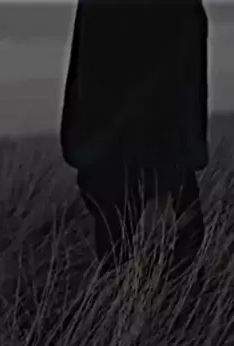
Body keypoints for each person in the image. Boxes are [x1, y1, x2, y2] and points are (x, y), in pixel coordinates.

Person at [60, 0, 209, 279]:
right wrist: (160, 189)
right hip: (134, 170)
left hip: (130, 168)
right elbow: (151, 84)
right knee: (151, 278)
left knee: (143, 278)